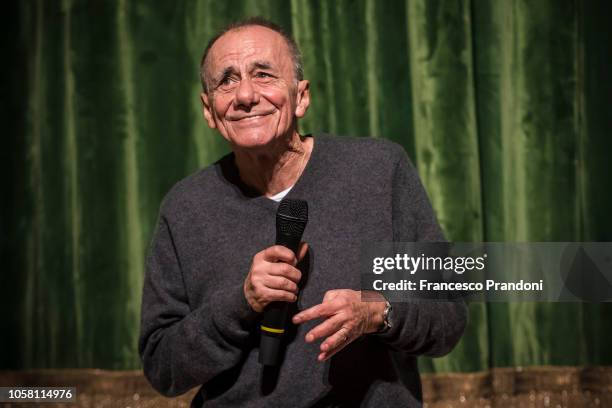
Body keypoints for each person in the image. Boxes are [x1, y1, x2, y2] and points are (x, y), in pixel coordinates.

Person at [139, 17, 467, 407]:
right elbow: (163, 367)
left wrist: (379, 312)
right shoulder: (185, 207)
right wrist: (241, 303)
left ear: (301, 96)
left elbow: (447, 316)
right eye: (226, 80)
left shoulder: (377, 170)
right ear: (209, 110)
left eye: (264, 74)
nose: (245, 94)